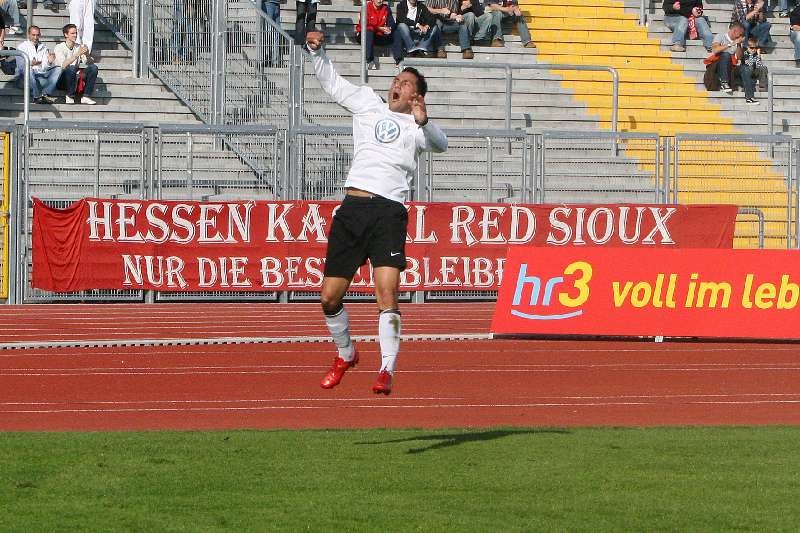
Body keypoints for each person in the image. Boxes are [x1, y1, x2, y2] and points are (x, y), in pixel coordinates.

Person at [304, 29, 447, 395]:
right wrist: (316, 53)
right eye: (396, 80)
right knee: (329, 297)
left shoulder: (417, 127)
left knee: (387, 292)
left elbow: (441, 145)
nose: (397, 85)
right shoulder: (368, 103)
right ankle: (346, 353)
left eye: (405, 83)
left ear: (416, 96)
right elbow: (334, 86)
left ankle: (386, 368)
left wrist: (424, 120)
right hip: (353, 208)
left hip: (388, 212)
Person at [15, 25, 61, 103]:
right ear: (28, 35)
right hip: (24, 79)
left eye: (37, 35)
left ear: (40, 35)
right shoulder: (21, 47)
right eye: (33, 35)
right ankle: (36, 96)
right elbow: (20, 66)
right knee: (28, 69)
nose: (36, 37)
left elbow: (44, 68)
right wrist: (30, 64)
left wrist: (49, 62)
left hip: (40, 76)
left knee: (58, 68)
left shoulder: (44, 47)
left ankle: (45, 94)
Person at [54, 23, 98, 104]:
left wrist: (87, 54)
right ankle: (69, 95)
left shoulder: (78, 46)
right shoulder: (59, 47)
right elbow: (63, 65)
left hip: (74, 77)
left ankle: (86, 96)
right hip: (61, 79)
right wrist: (77, 54)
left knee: (93, 68)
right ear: (66, 35)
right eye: (72, 33)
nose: (75, 35)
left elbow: (89, 62)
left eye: (76, 33)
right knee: (71, 68)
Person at [355, 0, 395, 70]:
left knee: (397, 31)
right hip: (364, 35)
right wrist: (379, 28)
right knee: (369, 31)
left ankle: (399, 59)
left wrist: (389, 28)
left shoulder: (386, 8)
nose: (379, 1)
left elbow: (391, 23)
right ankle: (369, 60)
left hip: (378, 36)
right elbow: (365, 24)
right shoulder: (366, 7)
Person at [711, 22, 745, 95]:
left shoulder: (738, 41)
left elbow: (739, 57)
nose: (741, 36)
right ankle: (724, 82)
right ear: (734, 31)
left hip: (730, 65)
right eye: (740, 34)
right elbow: (715, 50)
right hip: (717, 64)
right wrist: (730, 44)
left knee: (744, 66)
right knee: (726, 54)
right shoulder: (720, 36)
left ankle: (743, 85)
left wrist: (739, 45)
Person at [739, 36, 767, 104]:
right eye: (751, 48)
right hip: (745, 71)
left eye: (756, 48)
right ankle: (749, 98)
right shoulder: (745, 54)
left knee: (764, 68)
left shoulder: (756, 55)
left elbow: (759, 65)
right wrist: (752, 55)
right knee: (748, 69)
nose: (754, 50)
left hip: (753, 71)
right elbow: (749, 63)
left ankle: (762, 85)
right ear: (747, 47)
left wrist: (759, 56)